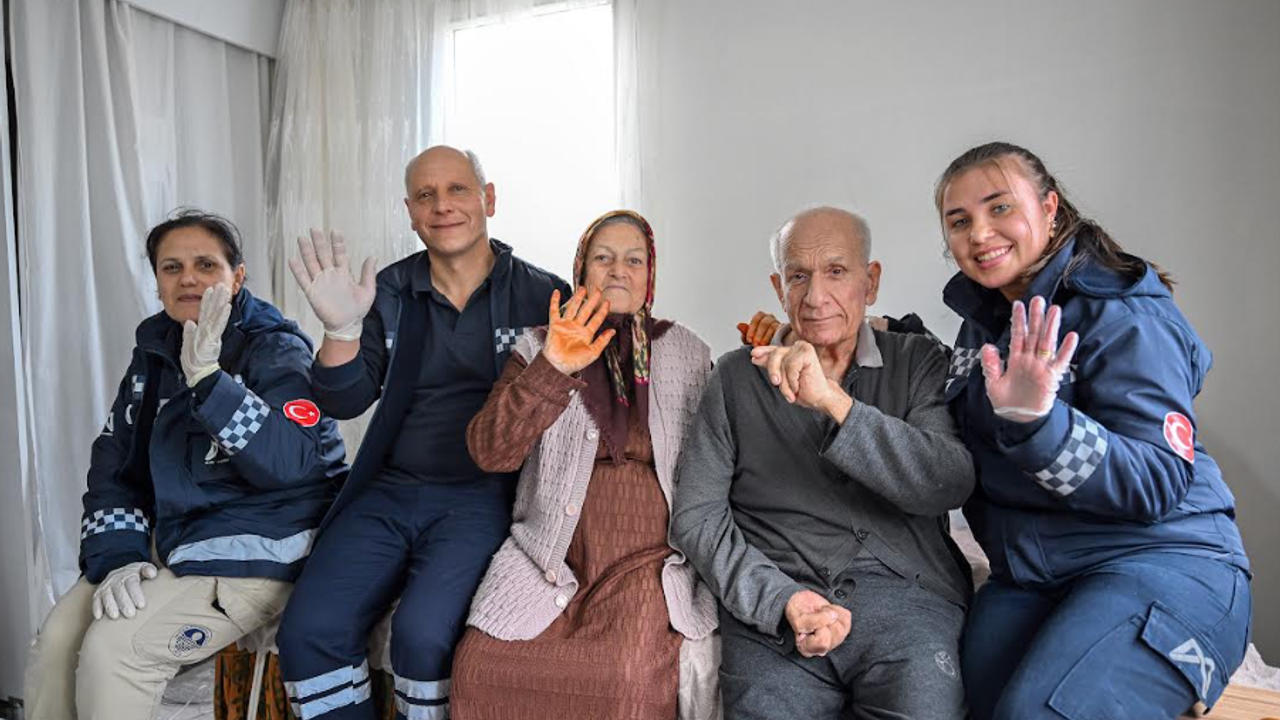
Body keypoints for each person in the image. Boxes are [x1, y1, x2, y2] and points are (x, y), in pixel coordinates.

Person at [936, 141, 1252, 719]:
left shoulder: (1125, 313)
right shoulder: (987, 321)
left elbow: (1156, 481)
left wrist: (1042, 424)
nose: (979, 233)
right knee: (952, 705)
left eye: (999, 207)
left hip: (1163, 561)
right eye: (959, 221)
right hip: (1036, 575)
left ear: (1049, 207)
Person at [276, 146, 570, 720]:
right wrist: (340, 331)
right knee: (308, 630)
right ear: (410, 212)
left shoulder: (544, 294)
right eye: (425, 195)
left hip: (485, 497)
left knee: (423, 634)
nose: (442, 206)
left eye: (458, 189)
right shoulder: (387, 290)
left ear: (488, 199)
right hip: (389, 490)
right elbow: (343, 400)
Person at [23, 210, 347, 720]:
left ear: (237, 277)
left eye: (205, 264)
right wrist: (119, 556)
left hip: (257, 545)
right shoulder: (155, 350)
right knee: (57, 643)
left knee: (117, 651)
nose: (188, 278)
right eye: (171, 268)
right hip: (177, 537)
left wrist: (209, 380)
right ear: (157, 282)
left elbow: (292, 462)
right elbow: (116, 468)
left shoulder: (276, 349)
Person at [672, 206, 975, 720]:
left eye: (836, 271)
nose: (815, 297)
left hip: (908, 602)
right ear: (779, 288)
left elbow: (948, 482)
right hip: (778, 613)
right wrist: (780, 601)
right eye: (798, 276)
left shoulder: (917, 360)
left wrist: (835, 403)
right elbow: (697, 517)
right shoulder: (734, 378)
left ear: (870, 282)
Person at [449, 210, 719, 720]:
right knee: (479, 668)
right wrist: (554, 366)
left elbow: (728, 454)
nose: (618, 270)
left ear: (650, 274)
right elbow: (491, 450)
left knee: (622, 680)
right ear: (580, 270)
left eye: (633, 260)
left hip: (648, 564)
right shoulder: (539, 345)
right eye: (603, 258)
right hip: (548, 559)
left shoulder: (688, 353)